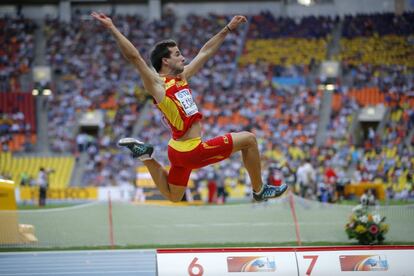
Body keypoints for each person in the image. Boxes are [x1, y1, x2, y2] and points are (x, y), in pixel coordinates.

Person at [91, 12, 288, 202]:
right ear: (165, 61)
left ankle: (145, 156)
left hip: (176, 150)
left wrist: (228, 29)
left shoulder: (181, 77)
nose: (183, 58)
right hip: (192, 151)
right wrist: (112, 28)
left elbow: (206, 51)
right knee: (250, 140)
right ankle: (260, 190)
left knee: (174, 196)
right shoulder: (158, 85)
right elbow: (135, 58)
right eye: (178, 54)